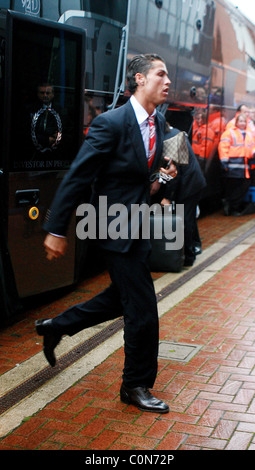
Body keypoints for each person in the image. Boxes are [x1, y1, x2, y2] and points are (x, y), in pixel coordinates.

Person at [35, 54, 177, 414]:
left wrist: (162, 180)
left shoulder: (158, 123)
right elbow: (79, 175)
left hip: (137, 225)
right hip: (112, 227)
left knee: (120, 299)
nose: (168, 81)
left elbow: (146, 175)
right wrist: (56, 228)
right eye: (161, 74)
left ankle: (55, 326)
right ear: (140, 79)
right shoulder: (110, 123)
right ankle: (135, 385)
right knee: (143, 310)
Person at [159, 123, 206, 266]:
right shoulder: (175, 132)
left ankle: (189, 257)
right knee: (189, 217)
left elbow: (175, 174)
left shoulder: (168, 140)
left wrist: (168, 197)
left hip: (188, 185)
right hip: (193, 181)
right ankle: (195, 246)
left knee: (184, 220)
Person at [218, 113, 255, 216]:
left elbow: (252, 147)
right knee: (234, 188)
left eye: (244, 121)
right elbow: (223, 147)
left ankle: (231, 206)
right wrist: (224, 162)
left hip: (244, 167)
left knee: (243, 187)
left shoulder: (249, 134)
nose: (242, 123)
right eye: (240, 121)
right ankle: (232, 208)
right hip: (233, 166)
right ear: (236, 122)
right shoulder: (229, 133)